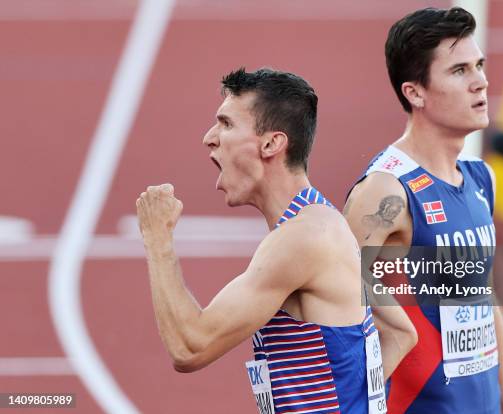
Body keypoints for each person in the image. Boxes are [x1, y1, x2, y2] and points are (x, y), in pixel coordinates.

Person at [136, 68, 417, 413]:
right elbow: (400, 332)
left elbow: (189, 348)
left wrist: (157, 238)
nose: (209, 138)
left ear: (271, 143)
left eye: (226, 124)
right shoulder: (322, 223)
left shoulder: (304, 238)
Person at [344, 7, 503, 414]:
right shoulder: (386, 191)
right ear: (415, 92)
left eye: (479, 65)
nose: (481, 82)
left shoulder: (481, 180)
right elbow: (335, 303)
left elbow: (485, 300)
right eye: (459, 71)